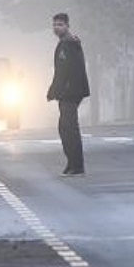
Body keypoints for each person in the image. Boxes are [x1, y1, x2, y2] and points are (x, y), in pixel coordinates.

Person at [46, 12, 90, 176]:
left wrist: (53, 91)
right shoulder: (67, 43)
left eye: (60, 25)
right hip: (69, 91)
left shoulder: (68, 44)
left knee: (69, 128)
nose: (57, 28)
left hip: (70, 91)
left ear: (67, 26)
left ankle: (76, 165)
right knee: (65, 127)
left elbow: (62, 72)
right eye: (55, 25)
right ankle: (72, 163)